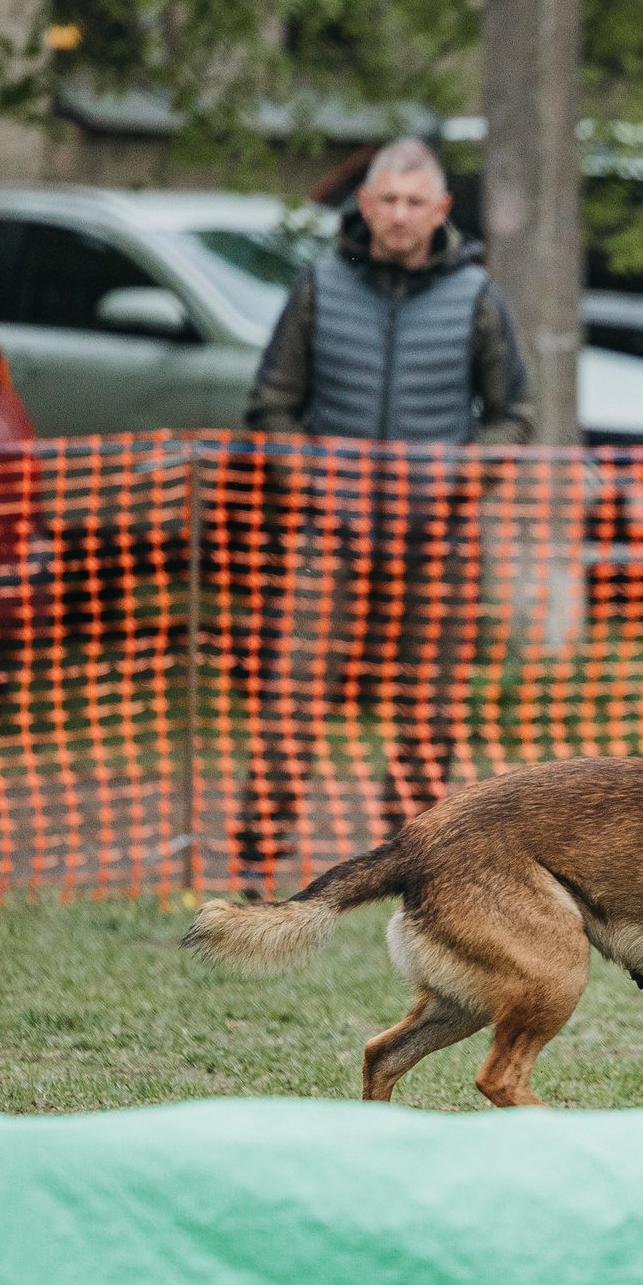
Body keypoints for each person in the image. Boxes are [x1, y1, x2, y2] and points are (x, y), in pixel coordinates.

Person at [232, 137, 534, 893]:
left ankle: (414, 862)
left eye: (413, 202)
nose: (398, 216)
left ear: (440, 211)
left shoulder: (476, 297)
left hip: (440, 539)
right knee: (294, 696)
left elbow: (514, 417)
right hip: (327, 535)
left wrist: (456, 482)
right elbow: (271, 405)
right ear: (363, 207)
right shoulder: (318, 286)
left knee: (429, 708)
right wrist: (315, 485)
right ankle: (254, 857)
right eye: (386, 201)